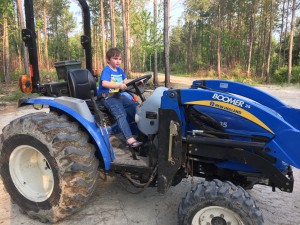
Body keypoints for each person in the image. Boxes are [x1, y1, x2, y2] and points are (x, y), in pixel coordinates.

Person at [98, 47, 142, 148]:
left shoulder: (120, 70)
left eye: (120, 59)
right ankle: (129, 139)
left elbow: (125, 81)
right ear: (108, 60)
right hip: (107, 97)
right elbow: (104, 83)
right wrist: (119, 85)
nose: (118, 61)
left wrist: (137, 81)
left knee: (135, 106)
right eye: (115, 58)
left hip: (118, 95)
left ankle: (141, 132)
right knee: (120, 113)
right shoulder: (107, 70)